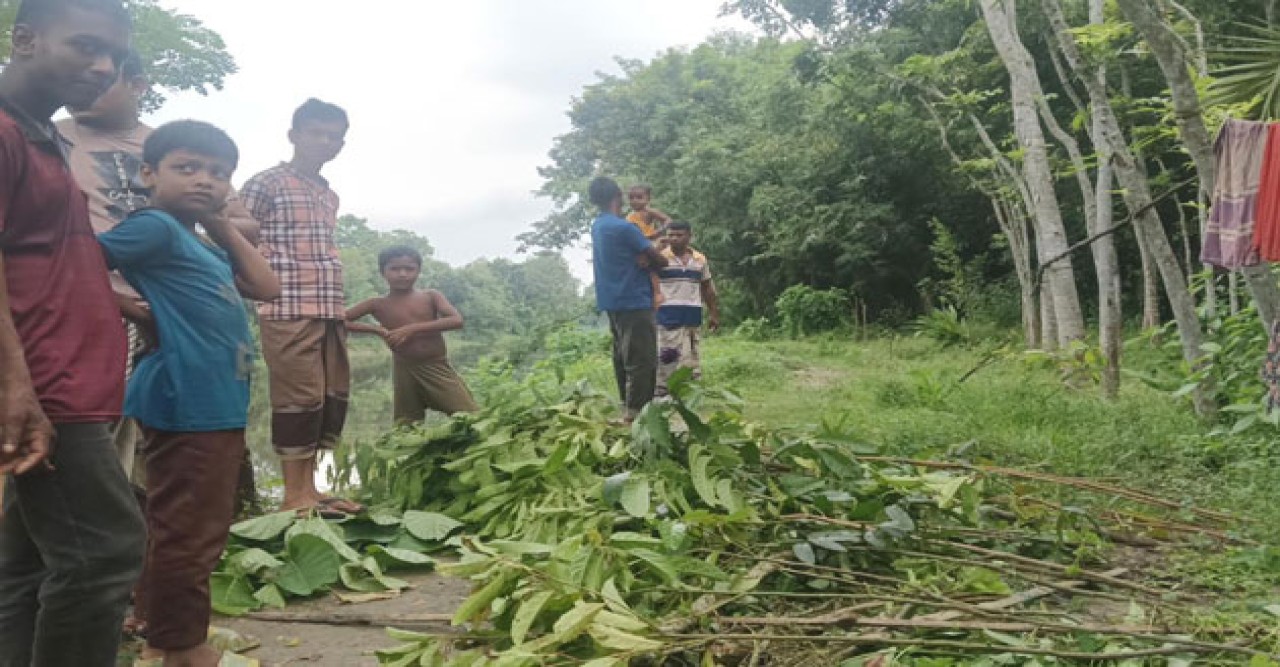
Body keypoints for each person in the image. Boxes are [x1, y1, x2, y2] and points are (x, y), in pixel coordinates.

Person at [97, 120, 280, 667]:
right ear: (149, 173)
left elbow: (266, 287)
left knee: (182, 523)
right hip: (187, 400)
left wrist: (221, 224)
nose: (204, 180)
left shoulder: (197, 240)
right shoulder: (152, 227)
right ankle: (180, 648)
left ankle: (159, 628)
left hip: (213, 401)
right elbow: (77, 263)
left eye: (218, 173)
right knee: (192, 533)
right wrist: (127, 307)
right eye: (187, 168)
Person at [0, 1, 146, 665]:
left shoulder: (40, 135)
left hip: (64, 377)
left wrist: (122, 302)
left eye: (112, 55)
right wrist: (14, 387)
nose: (101, 66)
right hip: (45, 386)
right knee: (104, 554)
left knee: (30, 565)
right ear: (24, 39)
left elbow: (43, 253)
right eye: (84, 46)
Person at [240, 98, 358, 515]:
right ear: (294, 135)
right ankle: (294, 497)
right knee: (297, 398)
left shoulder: (329, 195)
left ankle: (311, 489)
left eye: (335, 137)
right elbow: (235, 238)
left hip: (329, 305)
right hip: (286, 304)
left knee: (326, 398)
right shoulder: (266, 183)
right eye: (317, 133)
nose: (326, 142)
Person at [346, 246, 479, 425]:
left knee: (471, 417)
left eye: (409, 269)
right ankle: (411, 452)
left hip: (436, 366)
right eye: (395, 268)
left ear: (418, 271)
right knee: (406, 426)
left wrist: (411, 329)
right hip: (404, 369)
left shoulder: (430, 296)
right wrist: (376, 330)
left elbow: (456, 320)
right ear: (382, 272)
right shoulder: (377, 304)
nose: (402, 274)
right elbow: (339, 320)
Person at [590, 177, 669, 422]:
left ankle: (627, 405)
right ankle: (638, 417)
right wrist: (652, 257)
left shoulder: (598, 225)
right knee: (642, 360)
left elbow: (641, 253)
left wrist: (644, 255)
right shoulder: (624, 228)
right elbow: (660, 260)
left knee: (623, 357)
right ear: (618, 196)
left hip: (612, 300)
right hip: (633, 299)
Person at [656, 222, 721, 396]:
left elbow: (707, 287)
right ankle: (664, 389)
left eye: (679, 235)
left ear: (689, 236)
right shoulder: (660, 258)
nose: (674, 238)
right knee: (668, 352)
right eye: (671, 235)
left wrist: (714, 313)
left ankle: (691, 389)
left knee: (692, 351)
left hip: (692, 314)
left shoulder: (699, 259)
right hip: (668, 314)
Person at [627, 184, 673, 310]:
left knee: (651, 268)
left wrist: (658, 232)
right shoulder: (630, 216)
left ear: (647, 199)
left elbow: (668, 220)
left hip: (649, 242)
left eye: (639, 197)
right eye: (631, 198)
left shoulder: (649, 212)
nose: (635, 200)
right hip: (638, 244)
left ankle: (657, 293)